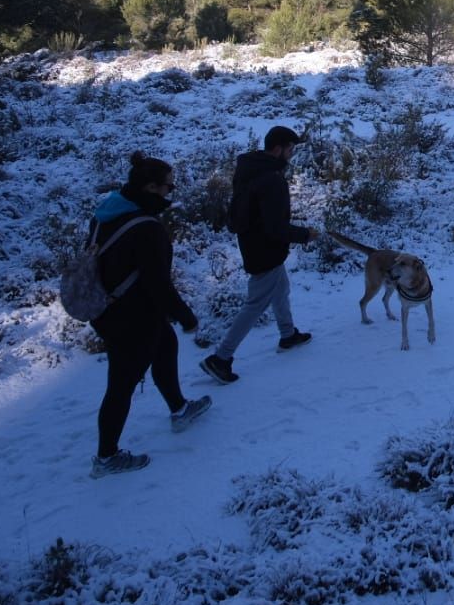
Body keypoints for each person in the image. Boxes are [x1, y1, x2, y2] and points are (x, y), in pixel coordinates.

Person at [89, 151, 211, 478]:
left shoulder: (107, 212)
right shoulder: (147, 228)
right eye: (169, 188)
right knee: (121, 385)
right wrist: (186, 316)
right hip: (132, 318)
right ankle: (106, 457)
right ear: (152, 187)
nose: (171, 193)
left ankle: (179, 408)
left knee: (166, 346)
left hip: (108, 307)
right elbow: (157, 282)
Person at [200, 125, 322, 384]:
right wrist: (305, 234)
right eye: (290, 149)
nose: (291, 154)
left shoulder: (250, 169)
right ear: (277, 148)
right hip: (265, 249)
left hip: (253, 243)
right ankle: (221, 358)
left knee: (281, 288)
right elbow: (275, 227)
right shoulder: (272, 179)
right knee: (255, 304)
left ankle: (287, 334)